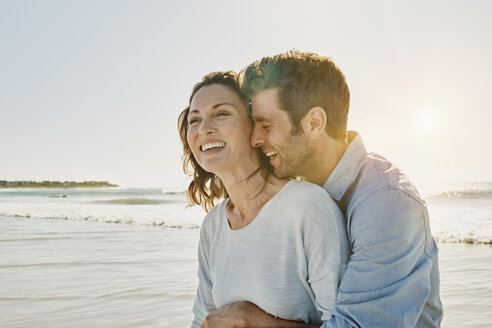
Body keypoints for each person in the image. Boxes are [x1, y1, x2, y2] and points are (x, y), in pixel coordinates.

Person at [201, 51, 443, 327]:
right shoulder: (299, 194)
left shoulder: (386, 203)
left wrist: (256, 322)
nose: (255, 139)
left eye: (266, 125)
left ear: (314, 123)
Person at [178, 71, 350, 328]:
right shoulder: (213, 225)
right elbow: (201, 321)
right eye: (194, 119)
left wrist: (258, 323)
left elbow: (346, 324)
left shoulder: (308, 207)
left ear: (254, 127)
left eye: (221, 113)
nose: (204, 129)